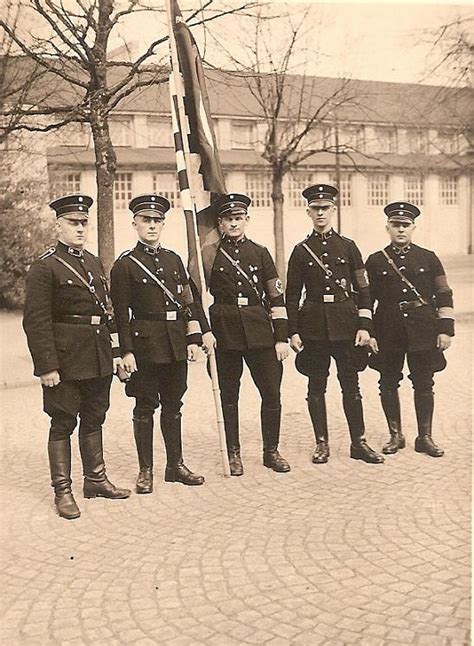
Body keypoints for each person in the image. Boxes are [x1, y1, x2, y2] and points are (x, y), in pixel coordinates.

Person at [23, 194, 131, 521]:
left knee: (95, 417)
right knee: (63, 421)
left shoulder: (95, 262)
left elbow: (107, 312)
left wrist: (114, 353)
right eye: (73, 223)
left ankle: (96, 480)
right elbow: (36, 321)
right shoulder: (45, 266)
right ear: (58, 225)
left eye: (84, 222)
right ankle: (63, 491)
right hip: (66, 361)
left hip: (97, 355)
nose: (81, 228)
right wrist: (47, 366)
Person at [110, 194, 205, 494]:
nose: (151, 225)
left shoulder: (173, 260)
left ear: (163, 224)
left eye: (156, 220)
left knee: (174, 405)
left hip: (175, 342)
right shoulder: (125, 265)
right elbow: (119, 315)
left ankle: (175, 465)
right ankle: (145, 471)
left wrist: (193, 338)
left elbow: (189, 303)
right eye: (145, 220)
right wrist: (125, 351)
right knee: (144, 407)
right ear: (134, 223)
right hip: (145, 345)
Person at [286, 184, 384, 465]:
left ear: (333, 210)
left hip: (346, 325)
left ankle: (358, 442)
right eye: (315, 209)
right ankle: (322, 444)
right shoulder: (301, 251)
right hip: (314, 327)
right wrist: (293, 330)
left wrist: (365, 325)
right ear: (308, 212)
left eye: (325, 208)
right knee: (316, 387)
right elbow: (292, 294)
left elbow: (364, 289)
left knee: (350, 385)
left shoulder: (349, 247)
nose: (320, 213)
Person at [208, 193, 290, 476]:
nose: (234, 223)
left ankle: (271, 451)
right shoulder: (210, 254)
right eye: (228, 219)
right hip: (225, 331)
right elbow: (194, 293)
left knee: (271, 392)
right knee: (229, 395)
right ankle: (233, 453)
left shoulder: (260, 252)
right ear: (220, 223)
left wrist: (281, 337)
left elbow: (276, 297)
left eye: (238, 218)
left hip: (259, 331)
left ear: (247, 220)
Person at [366, 201, 454, 457]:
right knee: (388, 381)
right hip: (387, 328)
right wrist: (369, 332)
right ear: (388, 228)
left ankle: (424, 437)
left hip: (423, 328)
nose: (401, 230)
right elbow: (365, 299)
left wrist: (445, 329)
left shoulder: (429, 257)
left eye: (405, 225)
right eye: (396, 225)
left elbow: (443, 293)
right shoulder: (375, 260)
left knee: (424, 382)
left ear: (414, 227)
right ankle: (396, 435)